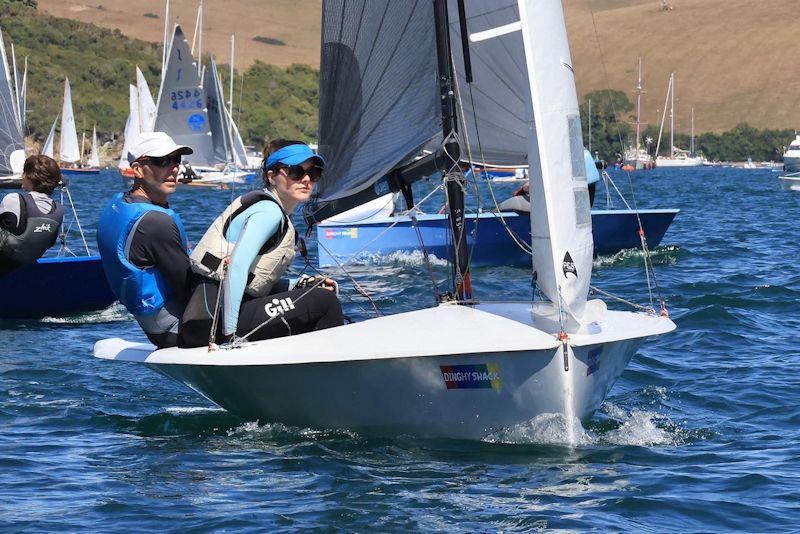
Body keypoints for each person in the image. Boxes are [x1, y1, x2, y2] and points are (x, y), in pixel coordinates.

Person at [181, 139, 343, 347]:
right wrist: (230, 336)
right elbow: (237, 268)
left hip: (207, 316)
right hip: (214, 321)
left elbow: (252, 279)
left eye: (314, 173)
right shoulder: (269, 212)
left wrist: (296, 285)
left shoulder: (272, 210)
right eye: (295, 172)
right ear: (271, 176)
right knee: (324, 301)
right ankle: (331, 365)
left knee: (312, 293)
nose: (306, 180)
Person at [96, 132, 194, 348]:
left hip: (152, 324)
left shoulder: (119, 203)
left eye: (176, 160)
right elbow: (191, 291)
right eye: (163, 161)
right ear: (138, 169)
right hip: (174, 327)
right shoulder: (155, 222)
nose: (174, 168)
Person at [0, 155, 65, 276]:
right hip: (26, 267)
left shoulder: (14, 199)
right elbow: (50, 243)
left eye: (24, 172)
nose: (22, 176)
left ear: (30, 176)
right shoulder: (59, 211)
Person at [497, 148, 601, 212]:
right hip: (582, 209)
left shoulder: (556, 156)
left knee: (505, 206)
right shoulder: (581, 153)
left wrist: (522, 190)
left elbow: (535, 185)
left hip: (559, 210)